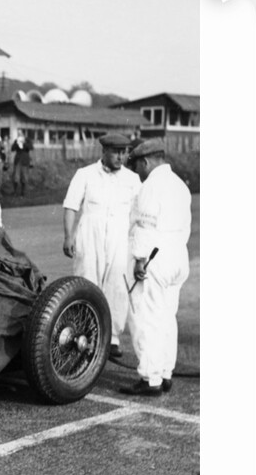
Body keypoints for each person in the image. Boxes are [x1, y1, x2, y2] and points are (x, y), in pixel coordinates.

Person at [119, 139, 192, 396]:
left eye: (137, 165)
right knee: (166, 318)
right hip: (177, 257)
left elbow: (145, 225)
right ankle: (164, 373)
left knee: (146, 318)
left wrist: (140, 259)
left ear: (146, 162)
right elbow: (185, 227)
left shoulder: (151, 185)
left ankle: (150, 378)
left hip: (154, 258)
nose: (136, 172)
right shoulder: (180, 185)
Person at [62, 132, 141, 359]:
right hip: (89, 233)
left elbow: (139, 214)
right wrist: (68, 236)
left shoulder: (133, 180)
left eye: (124, 152)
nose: (121, 157)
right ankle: (84, 336)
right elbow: (70, 206)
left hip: (120, 235)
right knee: (87, 282)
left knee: (117, 285)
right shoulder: (85, 174)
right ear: (104, 151)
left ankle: (112, 338)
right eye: (116, 152)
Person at [10, 129, 33, 196]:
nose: (19, 134)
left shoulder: (27, 140)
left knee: (24, 177)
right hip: (18, 161)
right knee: (16, 177)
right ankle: (15, 192)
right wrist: (17, 143)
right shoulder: (16, 140)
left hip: (25, 161)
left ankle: (23, 192)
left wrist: (24, 143)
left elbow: (31, 147)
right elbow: (12, 149)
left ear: (23, 133)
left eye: (20, 133)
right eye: (18, 133)